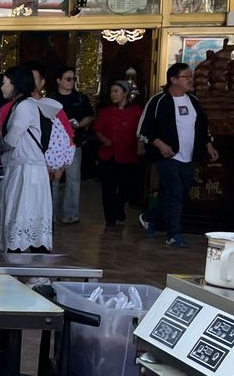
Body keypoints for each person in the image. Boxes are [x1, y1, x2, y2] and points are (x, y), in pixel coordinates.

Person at [138, 62, 220, 248]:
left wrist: (208, 145)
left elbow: (202, 127)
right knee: (174, 194)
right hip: (167, 157)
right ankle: (174, 234)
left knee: (178, 195)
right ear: (173, 80)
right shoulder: (159, 101)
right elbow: (146, 129)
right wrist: (160, 145)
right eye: (186, 77)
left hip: (188, 157)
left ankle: (149, 217)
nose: (191, 80)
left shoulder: (193, 102)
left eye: (191, 76)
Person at [0, 66, 58, 253]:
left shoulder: (25, 106)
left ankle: (31, 266)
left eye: (5, 82)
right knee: (25, 213)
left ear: (15, 84)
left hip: (27, 171)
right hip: (24, 168)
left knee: (25, 213)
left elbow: (13, 137)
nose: (2, 87)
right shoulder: (24, 104)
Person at [48, 67, 94, 225]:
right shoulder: (51, 98)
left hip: (74, 143)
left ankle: (71, 214)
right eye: (68, 79)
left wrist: (79, 125)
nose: (71, 82)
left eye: (73, 79)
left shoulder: (81, 98)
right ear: (58, 80)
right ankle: (51, 214)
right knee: (53, 179)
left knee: (73, 179)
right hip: (53, 146)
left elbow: (89, 116)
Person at [94, 81, 143, 228]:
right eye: (111, 92)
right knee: (108, 188)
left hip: (128, 154)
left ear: (125, 93)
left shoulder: (137, 111)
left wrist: (140, 146)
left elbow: (142, 131)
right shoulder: (106, 111)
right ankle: (110, 219)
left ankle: (119, 206)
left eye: (116, 91)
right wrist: (104, 139)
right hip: (108, 155)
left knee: (128, 186)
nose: (113, 95)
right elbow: (97, 129)